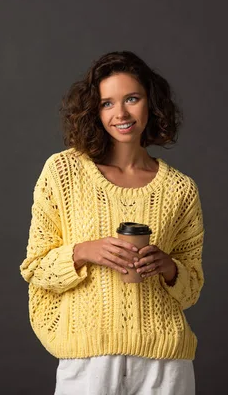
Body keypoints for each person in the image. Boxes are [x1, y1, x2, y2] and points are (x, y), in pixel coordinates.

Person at [20, 51, 205, 395]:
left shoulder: (181, 189)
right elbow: (35, 268)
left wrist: (169, 267)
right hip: (89, 357)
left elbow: (192, 287)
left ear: (152, 104)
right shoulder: (64, 172)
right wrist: (84, 251)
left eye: (132, 99)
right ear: (95, 111)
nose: (120, 113)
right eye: (107, 103)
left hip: (164, 360)